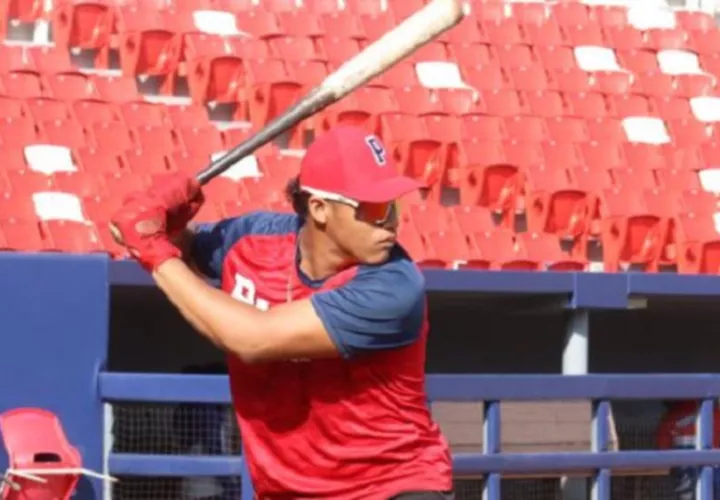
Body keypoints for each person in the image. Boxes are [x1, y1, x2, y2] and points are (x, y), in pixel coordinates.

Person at [109, 125, 454, 500]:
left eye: (394, 206)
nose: (391, 222)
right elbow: (168, 242)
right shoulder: (253, 238)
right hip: (288, 490)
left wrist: (153, 249)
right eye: (374, 208)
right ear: (320, 209)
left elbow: (252, 339)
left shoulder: (394, 285)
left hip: (390, 486)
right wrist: (158, 216)